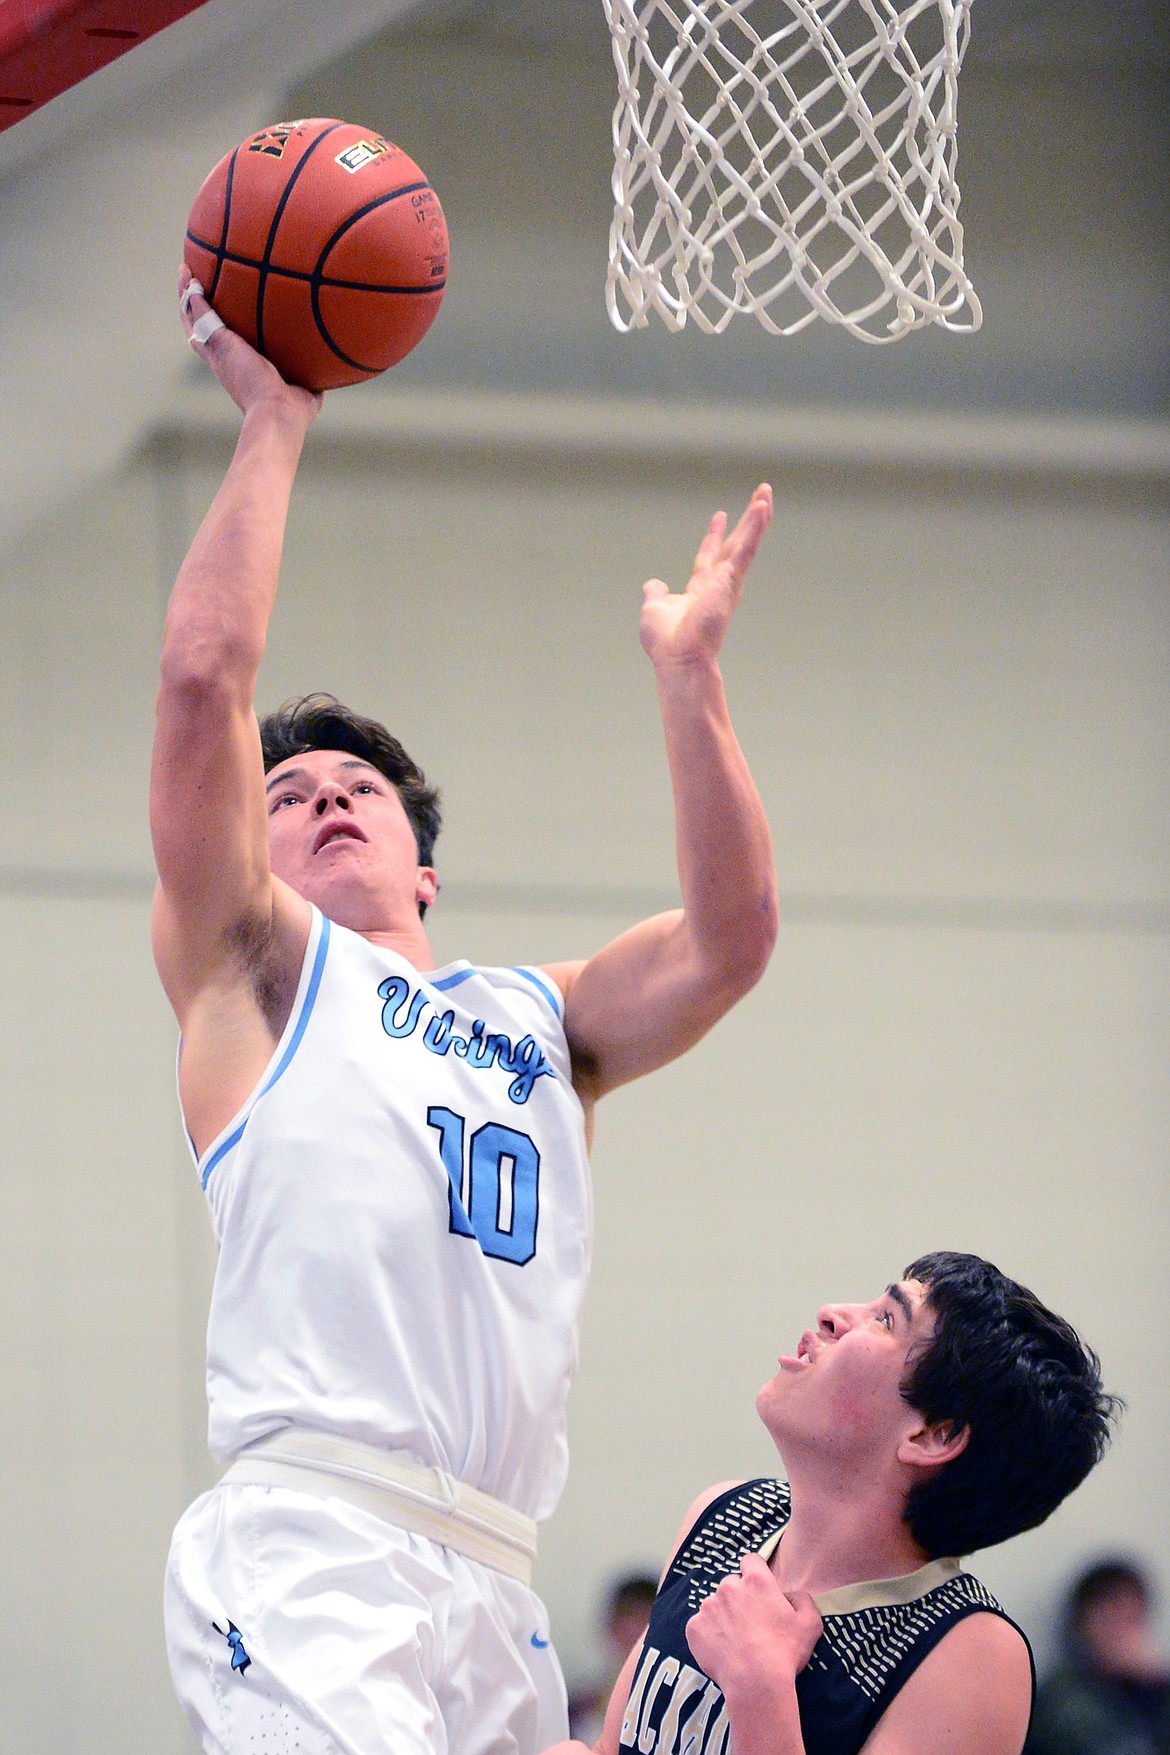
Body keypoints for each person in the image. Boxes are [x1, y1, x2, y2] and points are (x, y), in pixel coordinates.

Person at [155, 270, 779, 1755]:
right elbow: (199, 678)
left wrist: (689, 684)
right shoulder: (255, 965)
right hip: (312, 1528)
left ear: (422, 866)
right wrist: (273, 420)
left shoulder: (539, 1016)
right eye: (286, 794)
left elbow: (731, 939)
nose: (319, 803)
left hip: (490, 1565)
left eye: (353, 788)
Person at [544, 1251, 1118, 1755]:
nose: (832, 1313)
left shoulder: (975, 1652)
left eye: (886, 1319)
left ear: (932, 1436)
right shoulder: (723, 1512)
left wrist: (762, 1687)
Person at [1026, 1559, 1170, 1755]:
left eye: (1132, 1617)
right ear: (1082, 1621)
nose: (1123, 1631)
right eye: (1111, 1616)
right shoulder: (1061, 1698)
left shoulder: (1148, 1685)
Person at [568, 1573, 660, 1742]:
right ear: (610, 1626)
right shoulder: (577, 1711)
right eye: (630, 1617)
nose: (637, 1631)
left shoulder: (681, 1713)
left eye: (646, 1620)